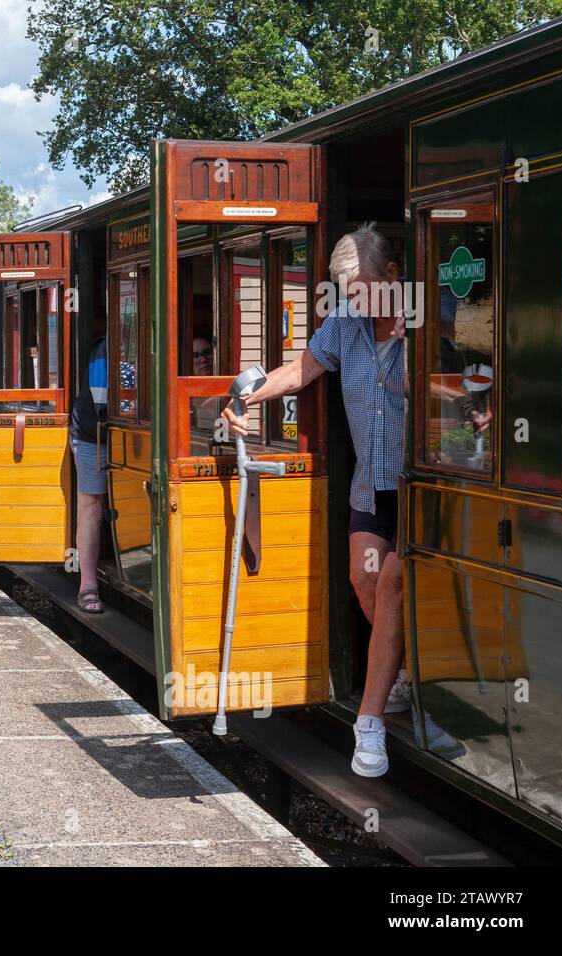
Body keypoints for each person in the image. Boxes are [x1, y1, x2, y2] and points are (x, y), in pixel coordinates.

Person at [221, 223, 414, 777]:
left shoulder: (427, 317)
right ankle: (404, 673)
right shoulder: (345, 325)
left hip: (421, 485)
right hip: (371, 483)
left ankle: (369, 723)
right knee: (364, 578)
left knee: (395, 581)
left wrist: (415, 341)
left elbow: (471, 360)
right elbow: (299, 371)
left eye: (362, 289)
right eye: (347, 291)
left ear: (393, 275)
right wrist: (245, 399)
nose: (354, 301)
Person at [69, 335, 109, 614]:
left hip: (124, 431)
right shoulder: (104, 350)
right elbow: (102, 404)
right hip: (92, 434)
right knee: (92, 503)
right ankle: (88, 585)